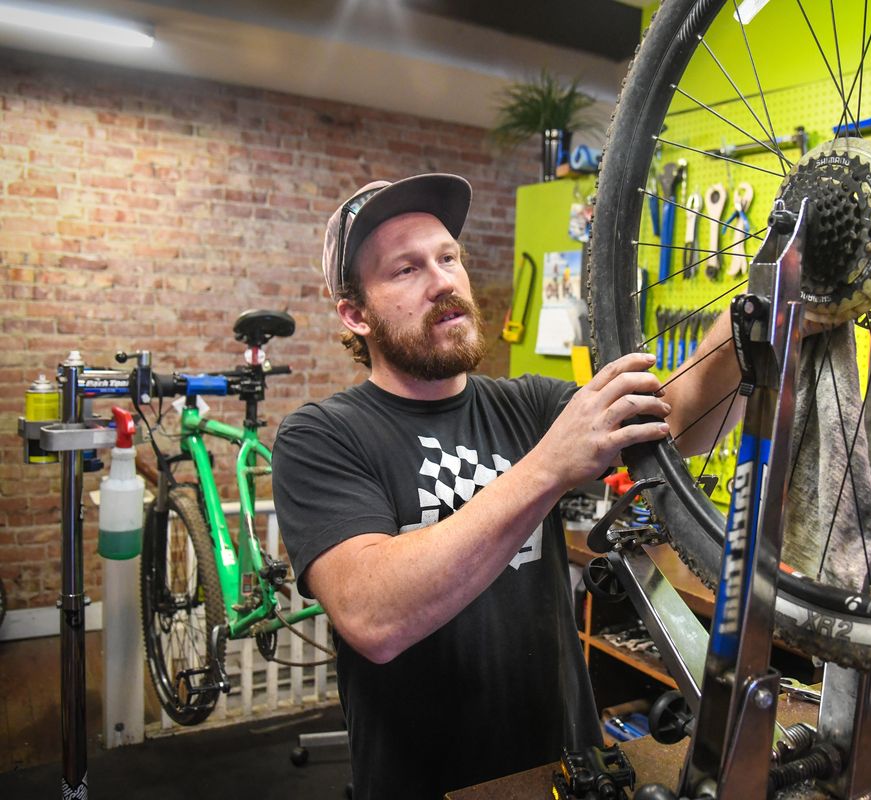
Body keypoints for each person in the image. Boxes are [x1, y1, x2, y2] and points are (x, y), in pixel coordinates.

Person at [271, 173, 742, 799]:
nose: (443, 281)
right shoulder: (322, 437)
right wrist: (548, 466)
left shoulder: (532, 404)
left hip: (566, 773)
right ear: (355, 315)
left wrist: (754, 312)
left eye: (448, 258)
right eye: (406, 270)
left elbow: (682, 417)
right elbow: (372, 614)